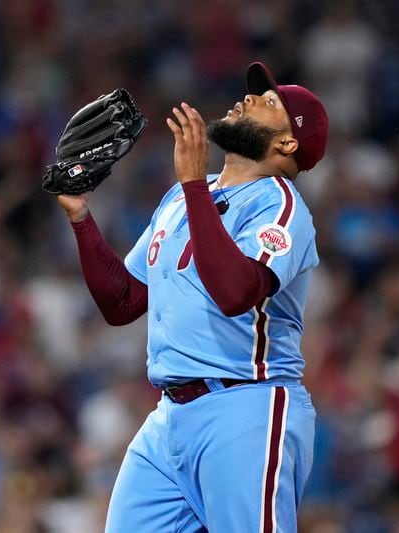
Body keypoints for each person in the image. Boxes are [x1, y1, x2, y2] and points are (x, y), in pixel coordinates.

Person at [57, 61, 328, 532]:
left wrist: (195, 185)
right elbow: (122, 301)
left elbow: (236, 291)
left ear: (287, 143)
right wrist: (80, 216)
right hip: (169, 416)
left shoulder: (280, 205)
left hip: (247, 407)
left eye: (268, 103)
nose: (247, 100)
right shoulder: (182, 199)